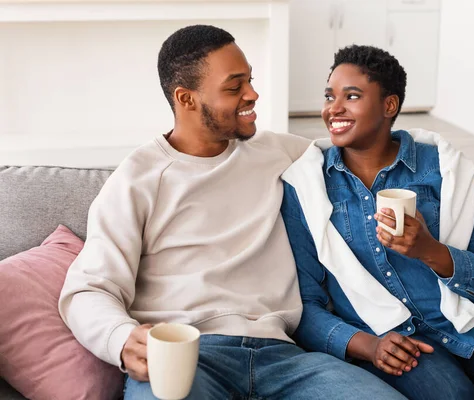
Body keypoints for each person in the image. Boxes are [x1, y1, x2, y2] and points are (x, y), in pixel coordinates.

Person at [58, 25, 408, 400]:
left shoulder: (282, 153)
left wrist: (463, 184)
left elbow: (371, 149)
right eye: (234, 87)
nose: (253, 94)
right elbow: (88, 289)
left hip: (287, 359)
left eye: (250, 81)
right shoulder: (138, 179)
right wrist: (121, 339)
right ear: (186, 98)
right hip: (189, 357)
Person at [280, 44, 474, 400]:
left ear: (389, 106)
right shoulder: (306, 185)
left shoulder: (445, 170)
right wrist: (368, 346)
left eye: (351, 96)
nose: (333, 108)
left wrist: (429, 250)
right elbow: (304, 306)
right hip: (394, 340)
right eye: (329, 96)